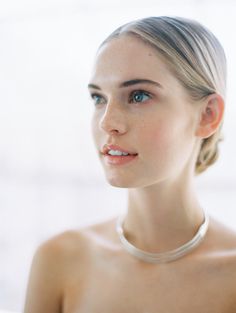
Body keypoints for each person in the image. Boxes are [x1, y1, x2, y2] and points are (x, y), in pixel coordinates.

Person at [24, 16, 236, 312]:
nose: (107, 122)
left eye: (138, 95)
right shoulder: (60, 260)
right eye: (98, 98)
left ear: (207, 115)